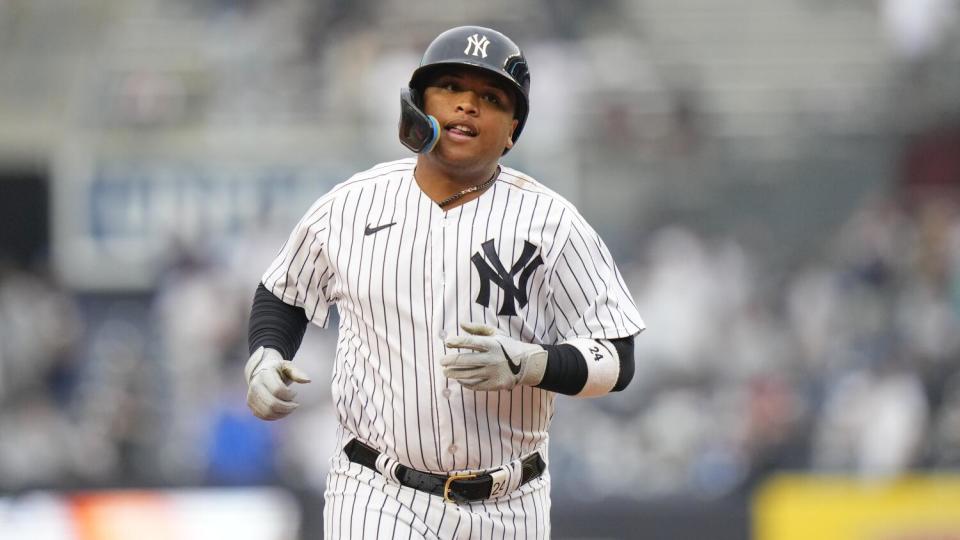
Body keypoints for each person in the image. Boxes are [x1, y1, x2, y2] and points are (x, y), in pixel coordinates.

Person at [244, 25, 645, 538]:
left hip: (510, 502)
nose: (467, 106)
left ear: (513, 130)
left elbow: (618, 358)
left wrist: (534, 364)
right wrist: (266, 355)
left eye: (490, 97)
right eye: (450, 88)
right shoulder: (351, 205)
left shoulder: (553, 224)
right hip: (377, 491)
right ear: (418, 104)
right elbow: (284, 294)